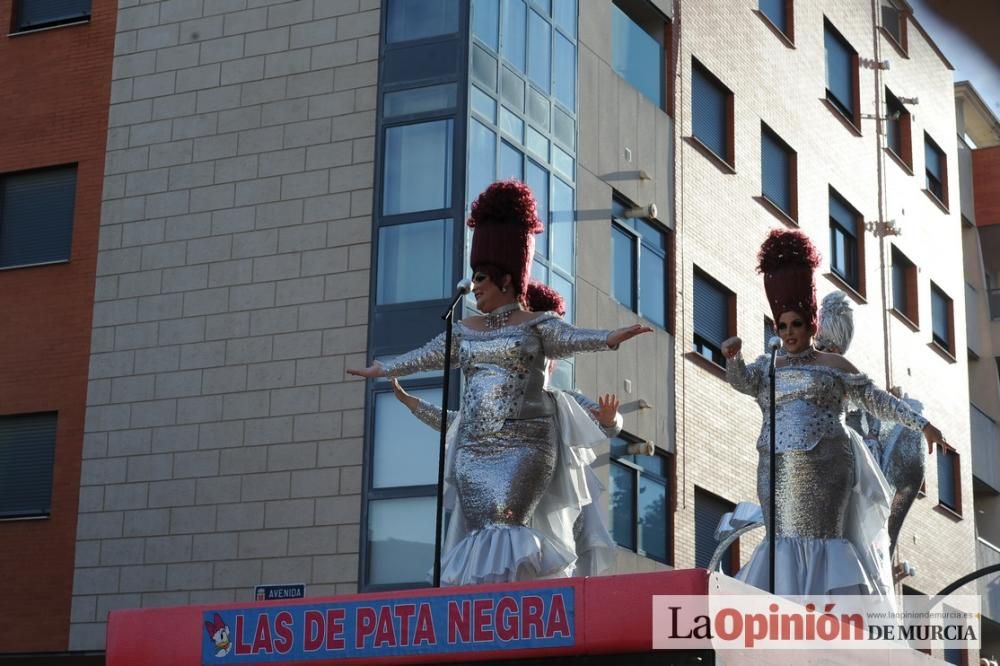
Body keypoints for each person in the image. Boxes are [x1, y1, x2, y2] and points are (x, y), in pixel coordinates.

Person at [348, 180, 651, 585]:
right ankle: (486, 620)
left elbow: (573, 338)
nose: (475, 289)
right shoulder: (465, 329)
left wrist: (610, 339)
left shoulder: (537, 325)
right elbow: (424, 356)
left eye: (481, 280)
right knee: (482, 535)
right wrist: (384, 370)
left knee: (506, 521)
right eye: (473, 281)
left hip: (525, 445)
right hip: (474, 449)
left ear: (506, 280)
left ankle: (517, 614)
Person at [720, 229, 946, 597]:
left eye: (796, 324)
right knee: (781, 539)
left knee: (820, 539)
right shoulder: (768, 366)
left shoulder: (834, 365)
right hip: (775, 466)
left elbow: (876, 400)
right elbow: (743, 382)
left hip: (826, 467)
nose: (789, 333)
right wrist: (733, 360)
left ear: (811, 324)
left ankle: (824, 620)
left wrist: (923, 425)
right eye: (782, 325)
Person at [388, 280, 623, 579]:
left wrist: (608, 419)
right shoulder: (490, 405)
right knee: (503, 550)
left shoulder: (564, 400)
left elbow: (609, 426)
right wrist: (412, 404)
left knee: (549, 554)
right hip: (500, 491)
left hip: (551, 492)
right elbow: (456, 424)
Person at [814, 290, 927, 557]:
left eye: (827, 349)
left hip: (837, 455)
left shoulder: (844, 373)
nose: (822, 354)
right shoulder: (803, 365)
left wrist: (920, 424)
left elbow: (876, 400)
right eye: (819, 347)